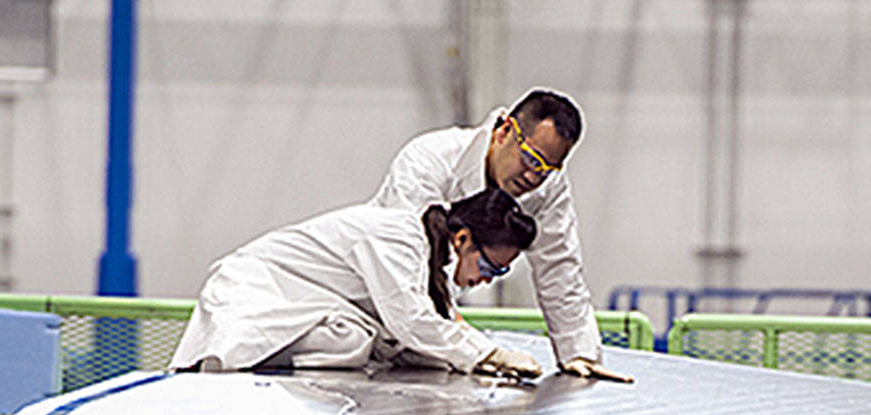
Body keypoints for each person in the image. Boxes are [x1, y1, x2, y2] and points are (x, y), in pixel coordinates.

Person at [370, 88, 632, 383]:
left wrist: (579, 353)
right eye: (530, 159)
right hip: (375, 306)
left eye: (547, 169)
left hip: (423, 325)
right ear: (505, 130)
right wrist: (478, 349)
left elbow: (559, 268)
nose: (533, 177)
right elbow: (406, 269)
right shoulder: (429, 161)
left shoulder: (546, 187)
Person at [170, 188, 544, 378]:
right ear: (462, 239)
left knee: (355, 340)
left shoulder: (432, 263)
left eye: (499, 273)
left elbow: (430, 333)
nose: (486, 280)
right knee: (349, 342)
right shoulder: (398, 239)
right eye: (490, 267)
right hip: (255, 293)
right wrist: (489, 354)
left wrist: (476, 360)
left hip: (306, 304)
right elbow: (412, 322)